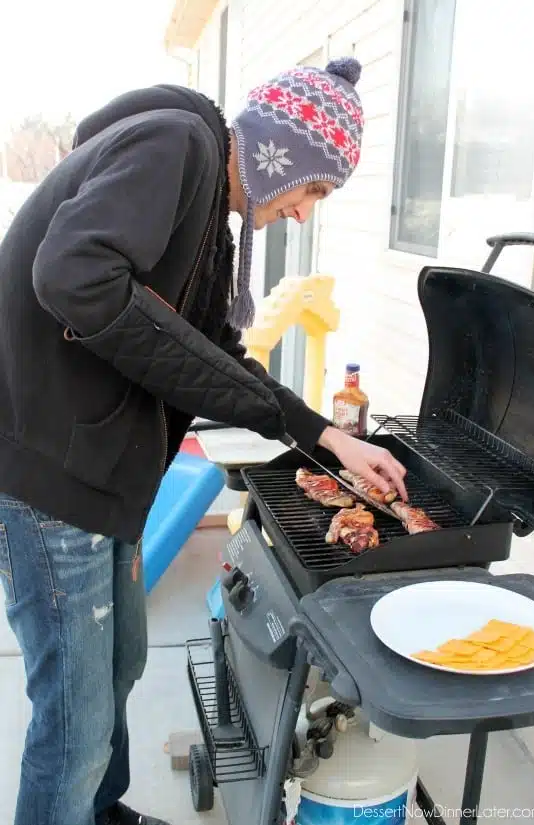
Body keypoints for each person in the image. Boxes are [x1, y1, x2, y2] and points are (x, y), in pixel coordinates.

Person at [0, 57, 408, 825]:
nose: (302, 215)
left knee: (117, 670)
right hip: (49, 471)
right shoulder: (176, 146)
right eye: (314, 190)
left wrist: (322, 433)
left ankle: (100, 811)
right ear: (280, 153)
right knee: (73, 722)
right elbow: (74, 273)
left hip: (100, 478)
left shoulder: (209, 218)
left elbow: (214, 347)